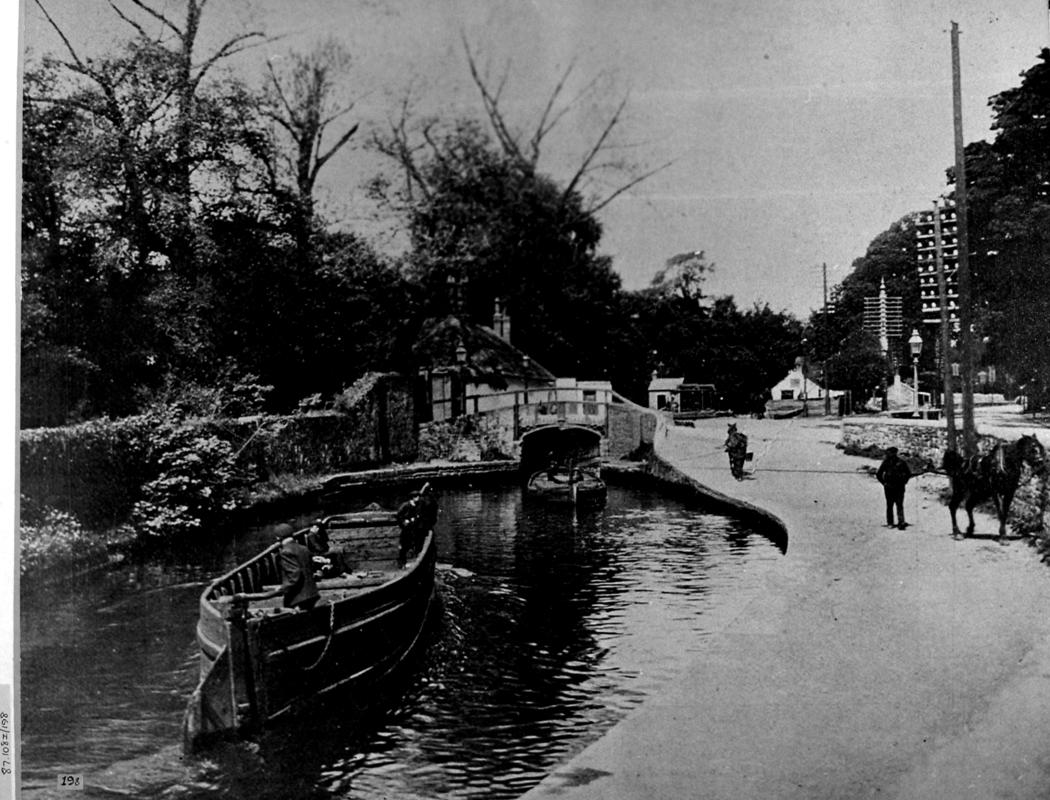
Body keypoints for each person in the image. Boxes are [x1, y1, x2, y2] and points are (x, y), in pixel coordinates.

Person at [235, 523, 330, 611]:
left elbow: (294, 575)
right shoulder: (304, 548)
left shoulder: (285, 552)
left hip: (298, 599)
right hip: (312, 594)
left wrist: (282, 589)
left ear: (277, 538)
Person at [397, 482, 437, 567]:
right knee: (404, 546)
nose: (418, 498)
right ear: (412, 498)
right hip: (407, 528)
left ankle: (415, 558)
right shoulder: (406, 506)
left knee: (416, 543)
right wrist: (405, 522)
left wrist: (424, 487)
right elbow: (399, 516)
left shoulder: (417, 505)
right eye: (416, 497)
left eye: (418, 496)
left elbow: (422, 495)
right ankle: (402, 562)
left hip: (414, 528)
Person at [876, 446, 913, 530]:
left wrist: (904, 482)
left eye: (890, 453)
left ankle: (901, 522)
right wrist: (884, 483)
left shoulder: (901, 462)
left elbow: (908, 474)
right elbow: (879, 474)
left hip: (899, 487)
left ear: (894, 453)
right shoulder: (886, 462)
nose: (888, 455)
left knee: (899, 504)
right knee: (890, 505)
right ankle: (890, 522)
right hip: (889, 487)